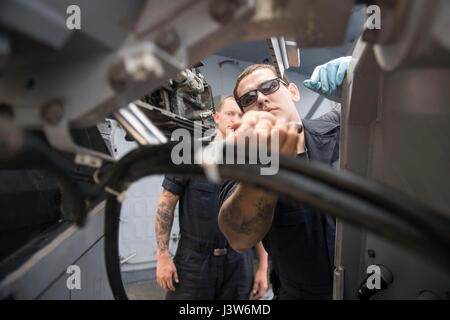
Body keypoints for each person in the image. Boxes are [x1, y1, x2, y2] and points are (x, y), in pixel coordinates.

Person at [218, 57, 350, 300]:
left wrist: (362, 81)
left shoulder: (339, 127)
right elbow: (239, 237)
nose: (260, 98)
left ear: (293, 91)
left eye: (269, 86)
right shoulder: (241, 165)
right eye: (248, 99)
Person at [155, 96, 269, 300]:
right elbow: (167, 202)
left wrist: (262, 266)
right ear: (217, 117)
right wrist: (162, 256)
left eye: (241, 115)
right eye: (230, 113)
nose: (236, 120)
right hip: (194, 262)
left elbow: (257, 218)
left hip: (238, 262)